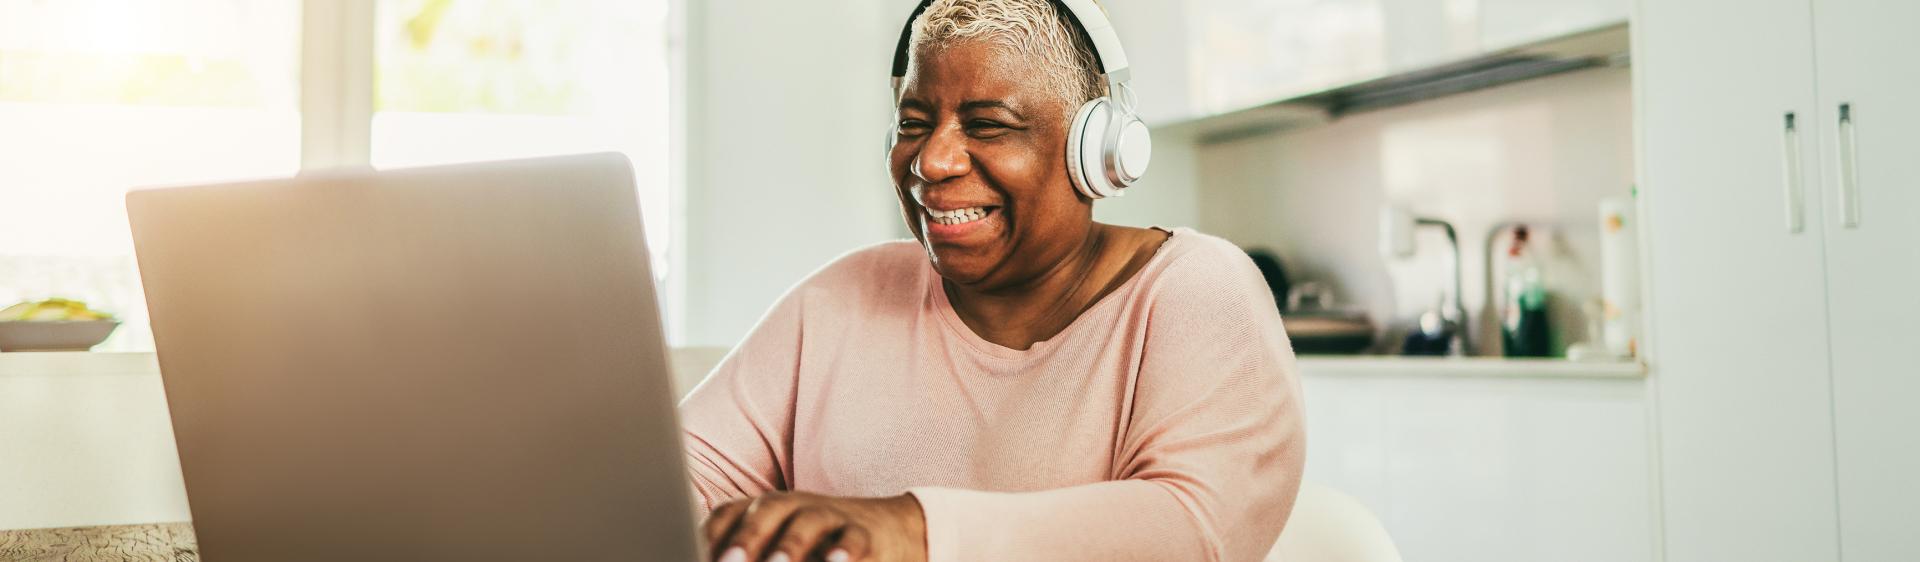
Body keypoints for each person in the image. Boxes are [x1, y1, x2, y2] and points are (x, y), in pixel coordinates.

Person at [678, 1, 1305, 560]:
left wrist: (910, 531)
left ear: (1097, 150)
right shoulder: (844, 294)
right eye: (914, 123)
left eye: (988, 125)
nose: (932, 161)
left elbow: (1194, 527)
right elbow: (674, 477)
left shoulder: (1195, 287)